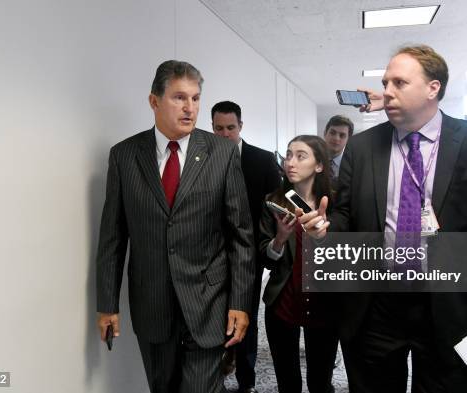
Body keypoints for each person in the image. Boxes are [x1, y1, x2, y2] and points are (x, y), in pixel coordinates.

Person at [299, 45, 467, 392]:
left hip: (450, 305)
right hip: (376, 305)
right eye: (386, 82)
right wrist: (325, 229)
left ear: (433, 88)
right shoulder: (362, 147)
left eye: (399, 83)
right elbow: (345, 215)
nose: (386, 91)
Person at [95, 60, 255, 393]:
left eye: (196, 98)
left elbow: (241, 235)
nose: (190, 108)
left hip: (208, 301)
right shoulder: (124, 156)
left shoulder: (222, 153)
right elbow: (112, 237)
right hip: (152, 302)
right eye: (179, 98)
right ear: (154, 101)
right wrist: (107, 304)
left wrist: (240, 302)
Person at [259, 135, 338, 393]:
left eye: (300, 156)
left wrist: (326, 237)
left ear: (319, 165)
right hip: (283, 303)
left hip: (325, 305)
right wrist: (279, 240)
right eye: (288, 155)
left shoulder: (336, 204)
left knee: (320, 382)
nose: (290, 162)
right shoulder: (274, 202)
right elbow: (263, 257)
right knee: (287, 381)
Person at [212, 100, 281, 393]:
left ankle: (247, 382)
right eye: (219, 129)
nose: (225, 134)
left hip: (248, 258)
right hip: (211, 258)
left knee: (247, 320)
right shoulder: (202, 159)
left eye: (230, 128)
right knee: (214, 320)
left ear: (241, 126)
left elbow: (276, 205)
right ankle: (216, 375)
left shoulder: (262, 160)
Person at [322, 115, 354, 181]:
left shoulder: (354, 166)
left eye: (342, 135)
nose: (336, 138)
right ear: (325, 133)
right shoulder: (311, 160)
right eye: (332, 133)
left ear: (349, 139)